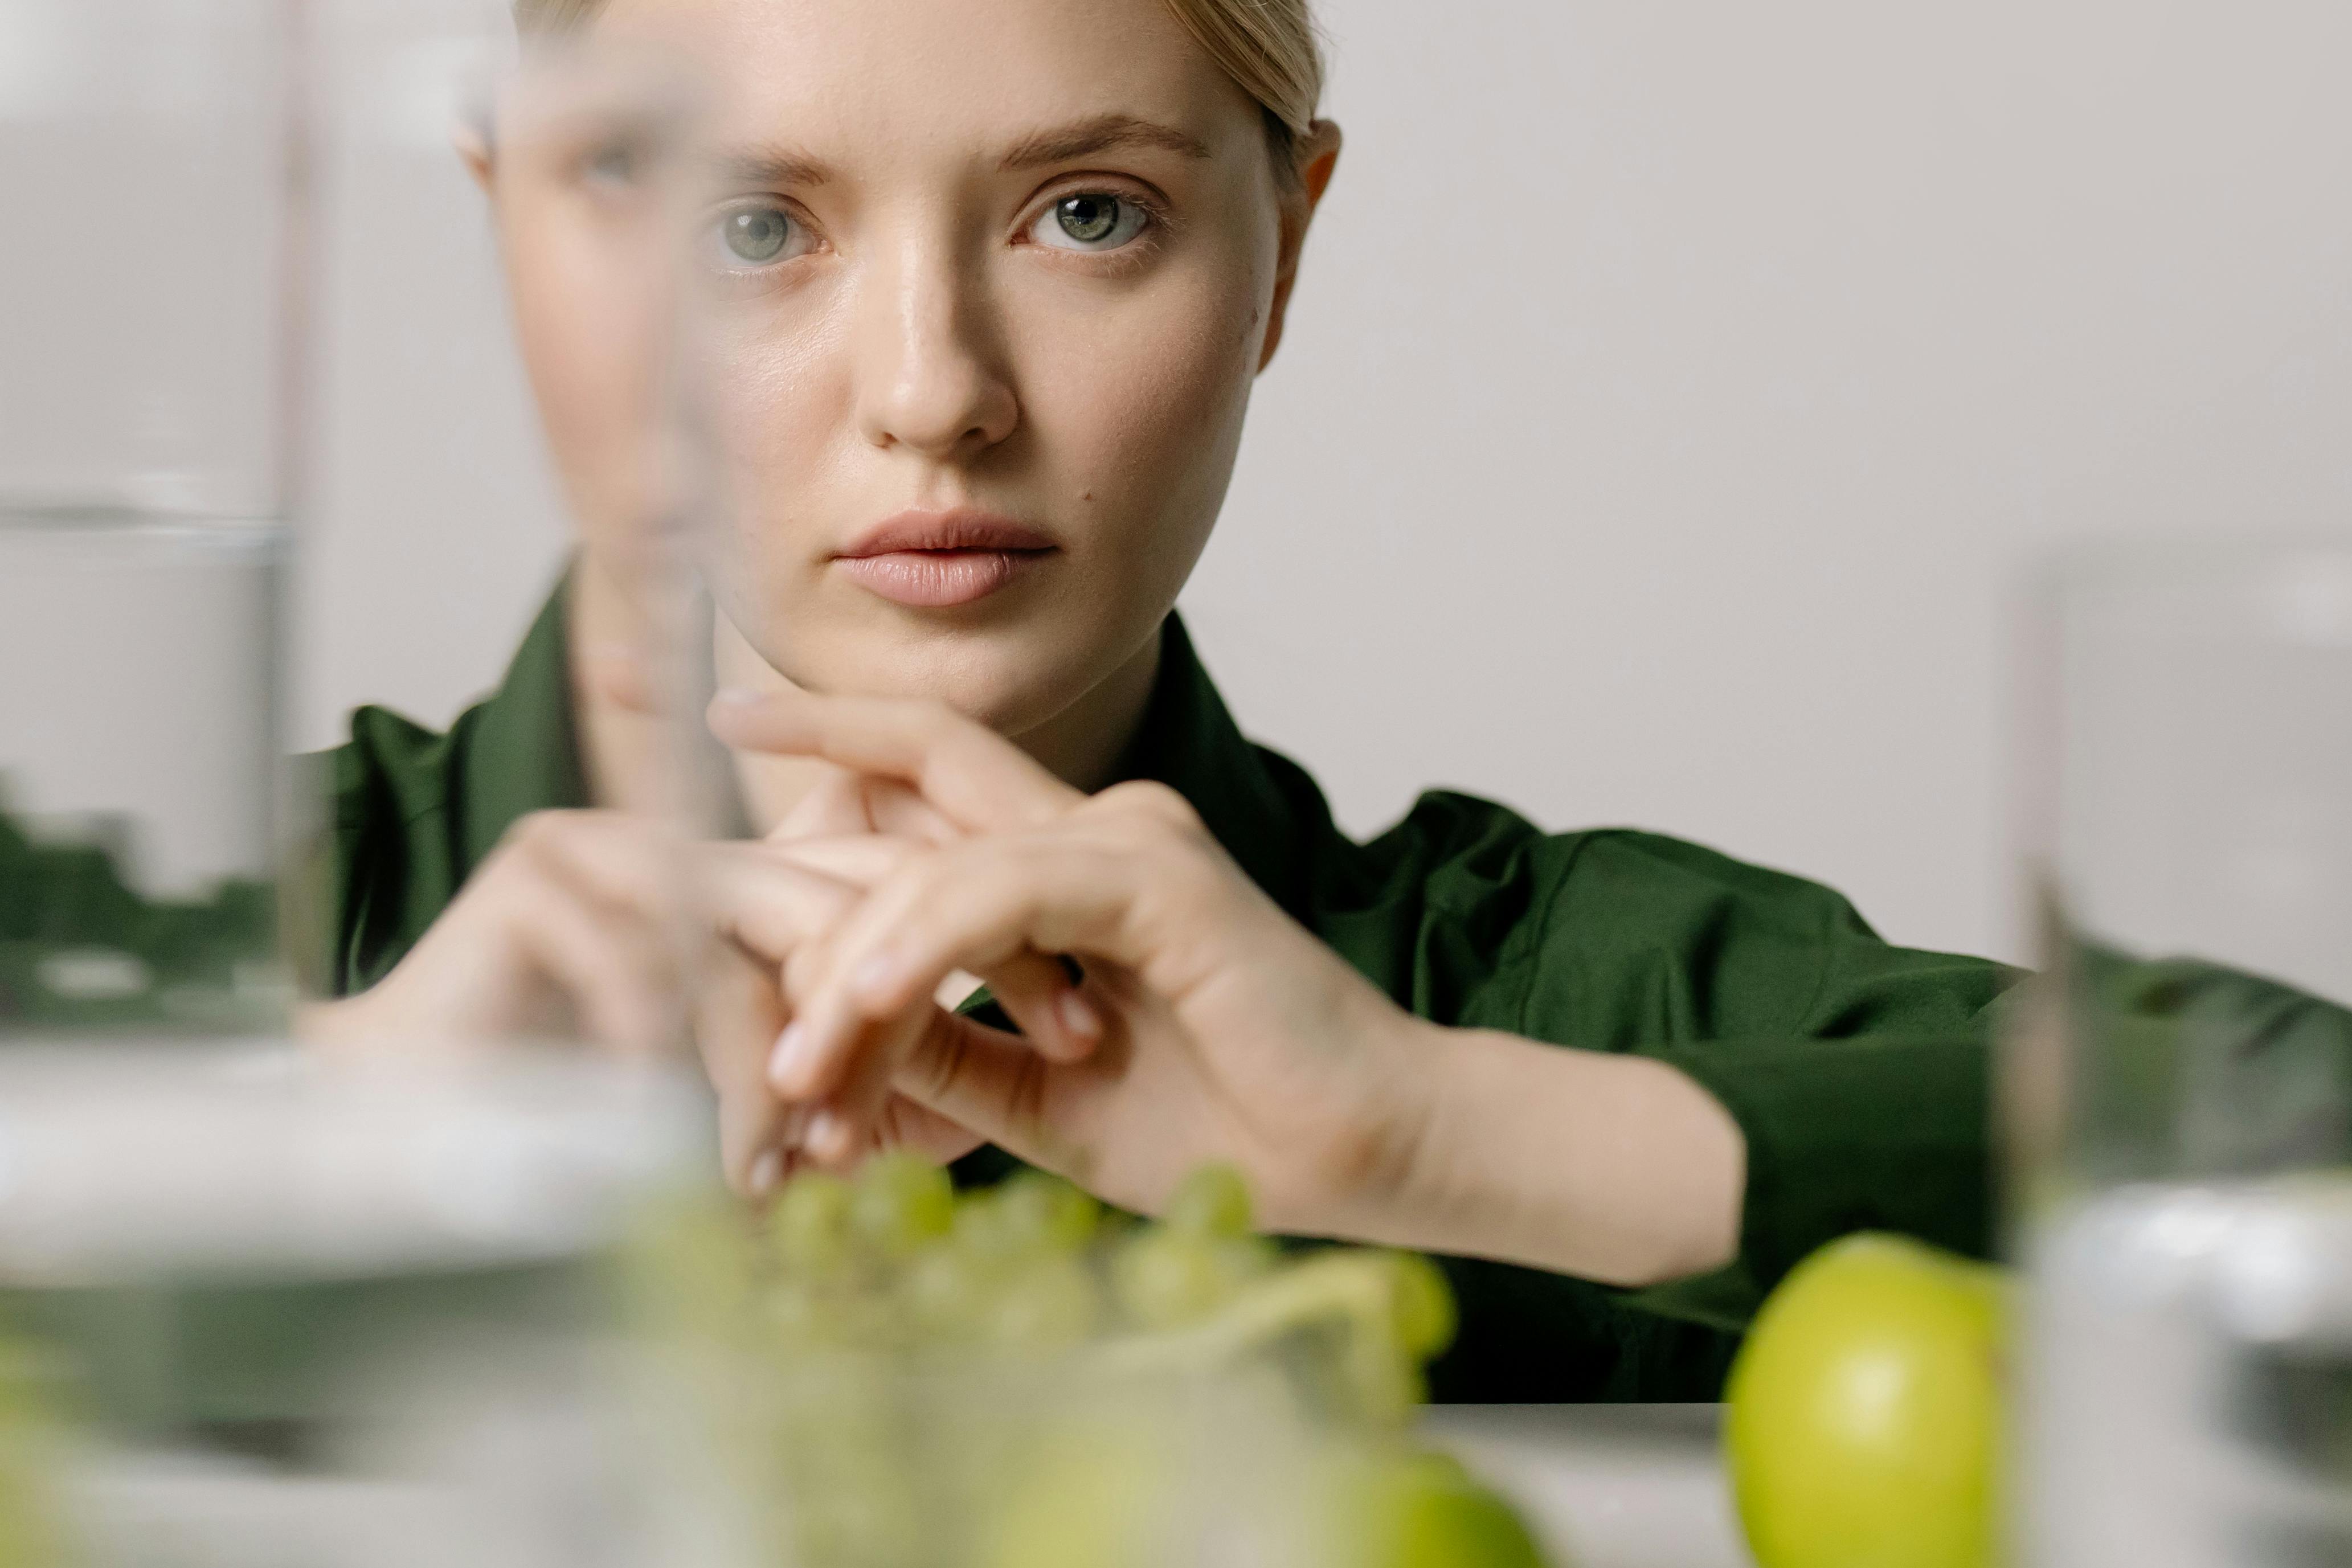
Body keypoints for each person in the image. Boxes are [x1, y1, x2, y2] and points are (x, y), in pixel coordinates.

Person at [305, 0, 2016, 1401]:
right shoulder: (215, 943)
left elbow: (2257, 1134)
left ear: (1280, 252)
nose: (934, 392)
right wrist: (292, 1142)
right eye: (755, 228)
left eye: (1088, 213)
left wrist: (1440, 1129)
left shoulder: (1515, 1008)